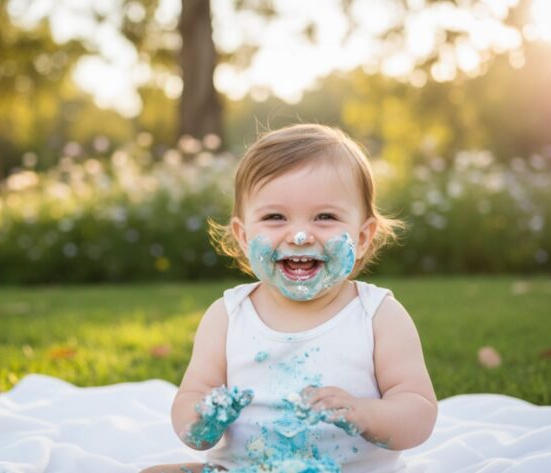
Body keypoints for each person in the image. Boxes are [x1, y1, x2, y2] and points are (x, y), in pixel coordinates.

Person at [141, 124, 437, 473]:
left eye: (325, 217)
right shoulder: (228, 315)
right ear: (243, 235)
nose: (299, 235)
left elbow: (418, 410)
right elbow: (189, 401)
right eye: (274, 217)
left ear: (362, 237)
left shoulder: (377, 315)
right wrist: (203, 420)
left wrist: (366, 414)